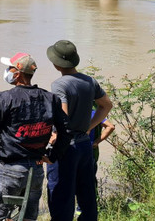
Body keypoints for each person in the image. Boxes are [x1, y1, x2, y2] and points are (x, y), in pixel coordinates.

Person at [0, 52, 71, 221]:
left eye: (9, 68)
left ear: (18, 73)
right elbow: (66, 130)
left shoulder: (5, 98)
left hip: (11, 170)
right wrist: (53, 155)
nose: (7, 71)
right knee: (29, 218)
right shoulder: (50, 98)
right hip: (36, 170)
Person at [44, 40, 113, 221]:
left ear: (56, 64)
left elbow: (63, 118)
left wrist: (55, 137)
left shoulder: (59, 85)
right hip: (84, 145)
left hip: (67, 148)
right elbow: (106, 105)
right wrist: (88, 127)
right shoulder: (90, 81)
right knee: (87, 195)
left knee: (61, 196)